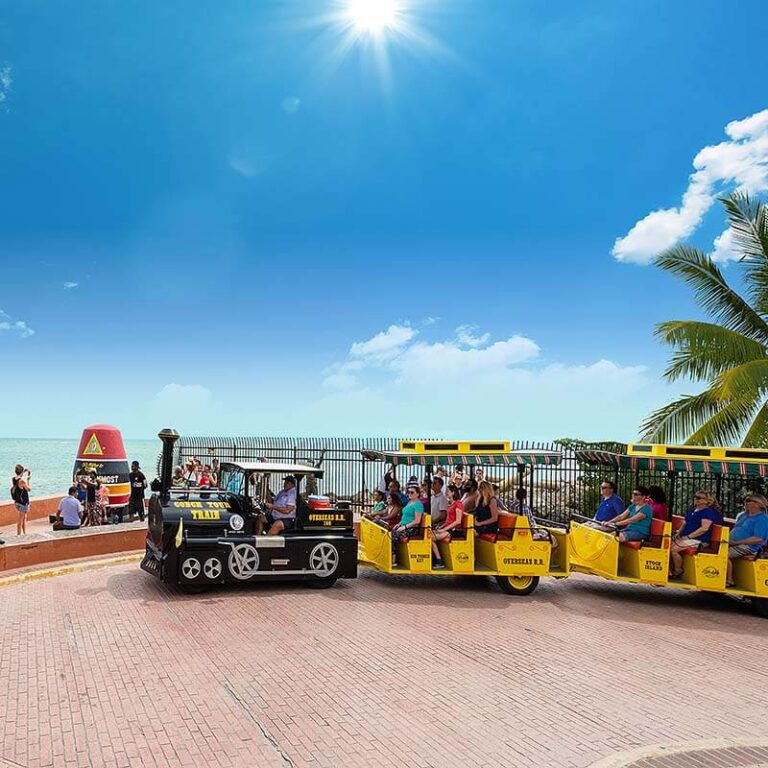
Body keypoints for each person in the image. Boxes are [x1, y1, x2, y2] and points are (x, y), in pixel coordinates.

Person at [669, 490, 722, 578]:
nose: (696, 499)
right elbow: (685, 523)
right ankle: (670, 570)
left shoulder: (707, 512)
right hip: (687, 538)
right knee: (668, 546)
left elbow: (704, 528)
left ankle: (678, 570)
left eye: (699, 498)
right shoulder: (693, 510)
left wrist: (688, 537)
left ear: (707, 501)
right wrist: (678, 533)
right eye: (695, 497)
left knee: (674, 550)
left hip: (699, 540)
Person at [726, 493, 768, 587]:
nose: (745, 502)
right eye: (745, 500)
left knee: (722, 554)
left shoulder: (762, 519)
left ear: (758, 504)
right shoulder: (743, 516)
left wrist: (736, 542)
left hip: (749, 546)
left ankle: (729, 580)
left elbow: (758, 538)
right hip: (733, 543)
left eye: (748, 500)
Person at [430, 484, 464, 569]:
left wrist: (444, 529)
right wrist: (441, 527)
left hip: (455, 530)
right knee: (429, 534)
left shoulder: (458, 504)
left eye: (448, 491)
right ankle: (437, 558)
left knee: (430, 537)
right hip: (449, 529)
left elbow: (458, 521)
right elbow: (449, 520)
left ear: (453, 492)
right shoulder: (451, 504)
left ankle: (439, 560)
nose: (446, 493)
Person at [391, 487, 424, 567]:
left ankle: (394, 559)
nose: (409, 494)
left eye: (412, 492)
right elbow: (405, 516)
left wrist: (404, 527)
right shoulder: (409, 503)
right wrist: (399, 524)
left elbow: (417, 521)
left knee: (394, 536)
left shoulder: (418, 505)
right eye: (408, 492)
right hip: (404, 525)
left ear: (417, 494)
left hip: (412, 528)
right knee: (389, 533)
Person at [11, 464, 31, 535]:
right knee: (21, 520)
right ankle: (19, 535)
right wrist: (28, 480)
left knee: (24, 518)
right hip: (23, 503)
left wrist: (23, 472)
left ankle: (24, 533)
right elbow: (29, 489)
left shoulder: (14, 479)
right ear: (21, 472)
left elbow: (19, 476)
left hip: (17, 502)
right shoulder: (22, 482)